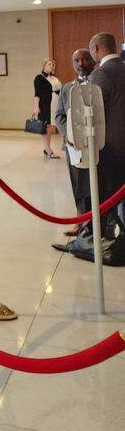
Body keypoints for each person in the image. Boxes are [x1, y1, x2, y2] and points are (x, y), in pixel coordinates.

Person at [88, 31, 125, 262]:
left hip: (112, 148)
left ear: (96, 49)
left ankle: (112, 241)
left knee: (109, 196)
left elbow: (91, 114)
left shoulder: (100, 74)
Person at [53, 49, 96, 245]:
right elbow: (59, 115)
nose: (81, 64)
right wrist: (68, 135)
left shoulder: (98, 85)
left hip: (97, 147)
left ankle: (97, 226)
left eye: (85, 59)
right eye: (77, 60)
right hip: (73, 147)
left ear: (93, 61)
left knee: (97, 187)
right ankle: (81, 223)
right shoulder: (67, 88)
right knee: (79, 187)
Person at [33, 59, 62, 159]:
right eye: (49, 64)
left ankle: (47, 149)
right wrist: (36, 106)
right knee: (45, 128)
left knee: (49, 128)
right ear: (44, 65)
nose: (51, 66)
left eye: (53, 65)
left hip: (55, 104)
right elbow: (37, 93)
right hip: (44, 105)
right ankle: (48, 150)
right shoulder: (39, 77)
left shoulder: (54, 78)